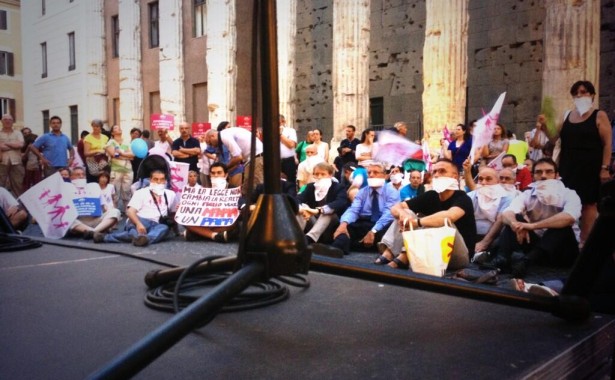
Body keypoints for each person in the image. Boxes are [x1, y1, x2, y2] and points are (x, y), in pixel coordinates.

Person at [374, 158, 476, 271]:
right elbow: (395, 208)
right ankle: (390, 252)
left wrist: (417, 222)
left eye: (442, 171)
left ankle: (405, 254)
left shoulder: (462, 197)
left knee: (439, 220)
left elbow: (449, 216)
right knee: (406, 212)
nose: (436, 175)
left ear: (455, 177)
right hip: (432, 251)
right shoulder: (431, 195)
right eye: (434, 172)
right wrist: (403, 215)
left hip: (457, 256)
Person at [490, 158, 582, 278]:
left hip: (563, 251)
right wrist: (515, 224)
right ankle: (502, 259)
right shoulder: (527, 195)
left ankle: (526, 261)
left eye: (549, 172)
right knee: (514, 219)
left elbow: (569, 217)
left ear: (557, 175)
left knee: (561, 226)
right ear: (533, 176)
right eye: (539, 172)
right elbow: (507, 213)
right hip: (537, 247)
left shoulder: (569, 194)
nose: (544, 176)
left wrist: (532, 226)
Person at [555, 80, 612, 247]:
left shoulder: (599, 115)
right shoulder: (566, 115)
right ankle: (565, 242)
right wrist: (544, 128)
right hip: (568, 165)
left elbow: (607, 143)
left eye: (584, 92)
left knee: (588, 203)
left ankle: (585, 243)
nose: (580, 95)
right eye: (576, 93)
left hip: (590, 166)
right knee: (565, 201)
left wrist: (605, 168)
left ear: (592, 95)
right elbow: (555, 140)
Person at [312, 162, 399, 258]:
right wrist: (343, 224)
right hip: (363, 222)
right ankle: (335, 249)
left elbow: (387, 215)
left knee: (385, 233)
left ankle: (357, 245)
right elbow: (354, 210)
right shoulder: (363, 192)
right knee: (344, 229)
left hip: (381, 224)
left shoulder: (392, 192)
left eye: (375, 172)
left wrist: (373, 231)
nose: (371, 175)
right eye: (369, 173)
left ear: (384, 176)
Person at [94, 170, 178, 246]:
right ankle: (139, 237)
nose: (159, 182)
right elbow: (130, 211)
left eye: (162, 179)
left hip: (157, 223)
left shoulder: (171, 194)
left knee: (164, 228)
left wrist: (176, 231)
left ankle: (144, 239)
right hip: (140, 219)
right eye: (156, 179)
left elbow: (173, 214)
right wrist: (138, 224)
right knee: (134, 230)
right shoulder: (141, 192)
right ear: (150, 180)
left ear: (165, 181)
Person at [182, 163, 239, 243]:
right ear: (210, 175)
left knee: (235, 223)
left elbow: (241, 207)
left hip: (224, 222)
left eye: (219, 173)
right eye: (213, 173)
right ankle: (215, 236)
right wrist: (184, 208)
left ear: (225, 175)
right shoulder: (205, 190)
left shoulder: (233, 190)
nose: (216, 175)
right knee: (183, 217)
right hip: (207, 221)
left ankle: (199, 233)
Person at [297, 162, 349, 245]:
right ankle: (296, 236)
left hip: (331, 222)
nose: (319, 177)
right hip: (313, 219)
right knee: (302, 207)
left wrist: (320, 210)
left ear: (330, 175)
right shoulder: (311, 186)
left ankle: (310, 238)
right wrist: (303, 210)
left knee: (328, 212)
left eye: (323, 174)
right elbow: (298, 199)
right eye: (316, 174)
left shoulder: (338, 187)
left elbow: (340, 202)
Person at [466, 167, 513, 253]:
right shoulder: (470, 196)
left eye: (488, 179)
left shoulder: (506, 198)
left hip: (494, 236)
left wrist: (484, 242)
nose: (483, 182)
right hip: (471, 234)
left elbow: (500, 221)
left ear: (497, 181)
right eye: (480, 179)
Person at [206, 126, 264, 194]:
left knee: (255, 188)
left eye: (210, 143)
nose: (212, 146)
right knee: (246, 189)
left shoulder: (224, 136)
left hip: (256, 158)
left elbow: (238, 157)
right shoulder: (226, 134)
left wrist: (224, 168)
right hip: (251, 159)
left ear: (212, 136)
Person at [66, 167, 120, 239]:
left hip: (95, 219)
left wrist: (105, 209)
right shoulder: (66, 188)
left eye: (83, 174)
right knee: (66, 218)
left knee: (115, 212)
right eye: (78, 175)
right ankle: (94, 232)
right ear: (71, 177)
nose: (81, 176)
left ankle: (93, 232)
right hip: (79, 221)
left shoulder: (93, 186)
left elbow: (104, 206)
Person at [105, 125, 135, 212]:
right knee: (115, 193)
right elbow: (114, 154)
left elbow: (133, 155)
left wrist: (121, 153)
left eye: (119, 127)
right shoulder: (110, 143)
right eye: (115, 128)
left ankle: (128, 212)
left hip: (128, 170)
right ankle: (114, 213)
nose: (119, 129)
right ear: (112, 133)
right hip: (116, 171)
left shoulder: (127, 142)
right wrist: (126, 155)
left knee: (127, 191)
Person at [0, 113, 25, 197]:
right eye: (5, 119)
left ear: (13, 122)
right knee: (0, 184)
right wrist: (14, 145)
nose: (7, 121)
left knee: (18, 184)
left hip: (16, 162)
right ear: (1, 121)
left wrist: (5, 143)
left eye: (10, 120)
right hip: (1, 162)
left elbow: (20, 145)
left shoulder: (18, 133)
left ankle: (19, 205)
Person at [279, 114, 298, 184]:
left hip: (288, 160)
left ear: (283, 122)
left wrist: (280, 135)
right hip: (275, 161)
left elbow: (291, 145)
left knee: (290, 182)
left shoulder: (290, 131)